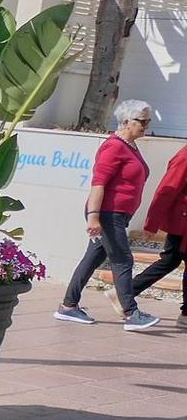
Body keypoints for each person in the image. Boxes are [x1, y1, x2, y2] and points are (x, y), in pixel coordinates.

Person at [57, 100, 160, 331]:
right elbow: (99, 183)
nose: (146, 125)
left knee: (92, 259)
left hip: (117, 214)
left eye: (147, 121)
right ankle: (131, 314)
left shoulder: (130, 145)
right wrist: (93, 217)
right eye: (142, 121)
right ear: (126, 121)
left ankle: (67, 306)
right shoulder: (113, 146)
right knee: (123, 260)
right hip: (107, 213)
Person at [128, 142, 187, 323]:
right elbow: (166, 190)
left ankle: (125, 292)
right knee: (170, 260)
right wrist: (151, 224)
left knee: (170, 260)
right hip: (182, 223)